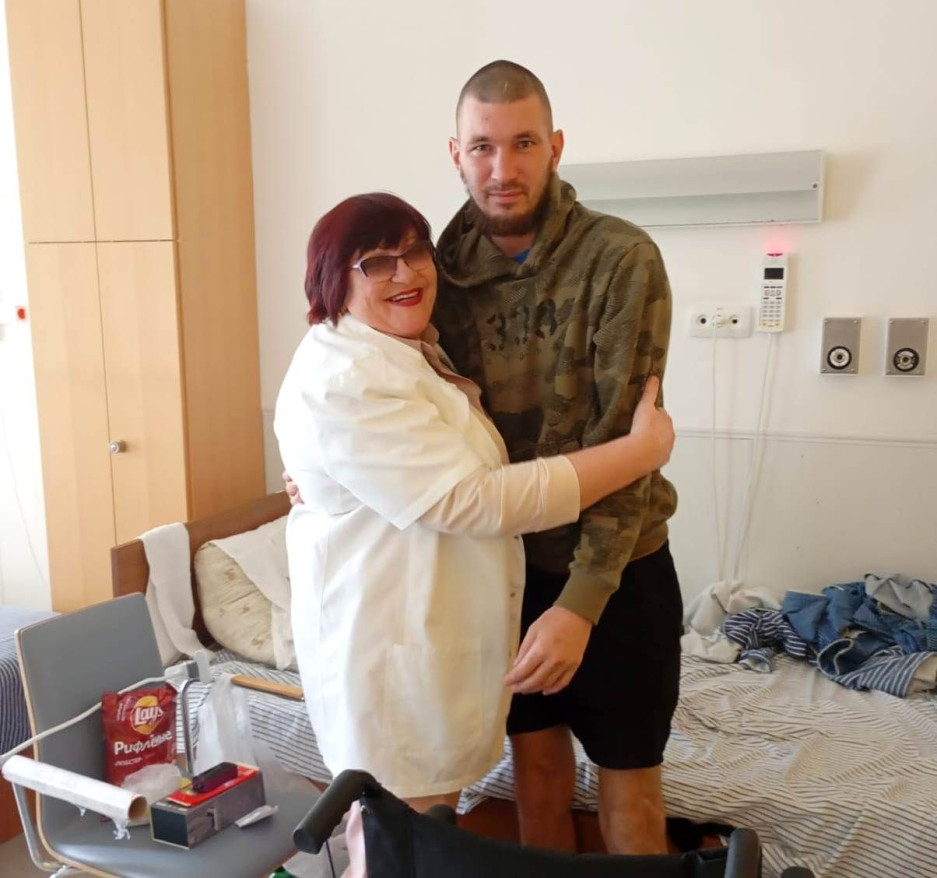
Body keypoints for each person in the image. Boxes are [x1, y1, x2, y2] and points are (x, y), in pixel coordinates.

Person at [274, 191, 674, 876]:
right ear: (331, 279)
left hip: (432, 634)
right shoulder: (344, 379)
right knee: (396, 850)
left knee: (422, 839)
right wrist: (638, 453)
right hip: (389, 658)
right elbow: (472, 500)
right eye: (376, 262)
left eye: (414, 252)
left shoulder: (407, 350)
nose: (405, 273)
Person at [429, 60, 682, 857]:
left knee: (631, 796)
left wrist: (579, 604)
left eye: (523, 143)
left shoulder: (619, 259)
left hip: (618, 569)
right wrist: (317, 475)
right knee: (533, 777)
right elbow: (382, 394)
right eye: (482, 147)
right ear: (456, 153)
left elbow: (628, 449)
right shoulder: (431, 273)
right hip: (501, 568)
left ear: (556, 146)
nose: (502, 169)